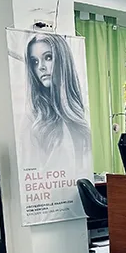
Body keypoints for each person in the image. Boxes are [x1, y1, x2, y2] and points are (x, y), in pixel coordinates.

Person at [22, 33, 91, 171]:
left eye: (48, 57)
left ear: (62, 60)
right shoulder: (33, 120)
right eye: (35, 62)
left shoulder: (80, 113)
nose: (41, 67)